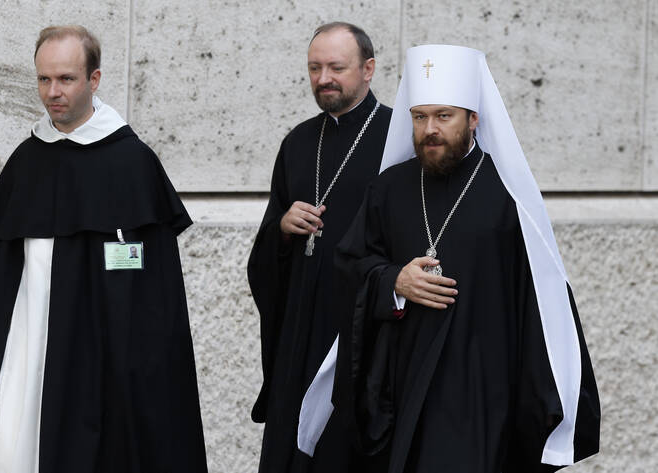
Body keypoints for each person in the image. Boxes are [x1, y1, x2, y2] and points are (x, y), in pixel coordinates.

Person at [0, 25, 207, 473]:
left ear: (94, 80)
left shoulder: (132, 162)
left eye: (66, 79)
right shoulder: (29, 158)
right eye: (44, 79)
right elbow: (8, 273)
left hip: (108, 345)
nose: (52, 92)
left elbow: (155, 289)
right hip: (30, 334)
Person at [325, 45, 601, 472]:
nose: (429, 129)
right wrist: (394, 282)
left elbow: (541, 302)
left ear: (473, 119)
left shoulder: (508, 196)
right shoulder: (388, 189)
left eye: (443, 116)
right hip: (402, 388)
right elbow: (349, 266)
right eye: (420, 117)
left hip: (482, 393)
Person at [247, 22, 392, 473]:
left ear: (368, 69)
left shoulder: (397, 138)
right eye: (314, 68)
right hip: (301, 327)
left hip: (363, 330)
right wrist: (284, 230)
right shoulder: (298, 142)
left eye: (336, 67)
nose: (323, 78)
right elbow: (265, 254)